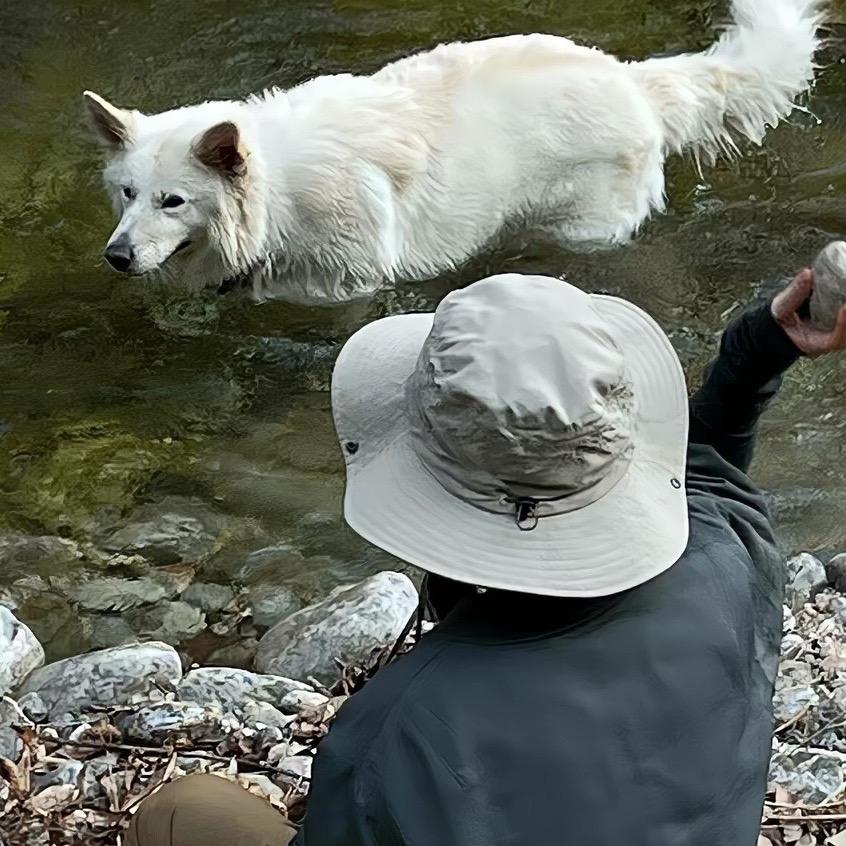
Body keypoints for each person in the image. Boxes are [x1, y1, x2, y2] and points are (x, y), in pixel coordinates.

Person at [125, 268, 846, 846]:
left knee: (182, 813)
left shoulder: (406, 728)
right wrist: (762, 348)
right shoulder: (733, 550)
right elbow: (709, 465)